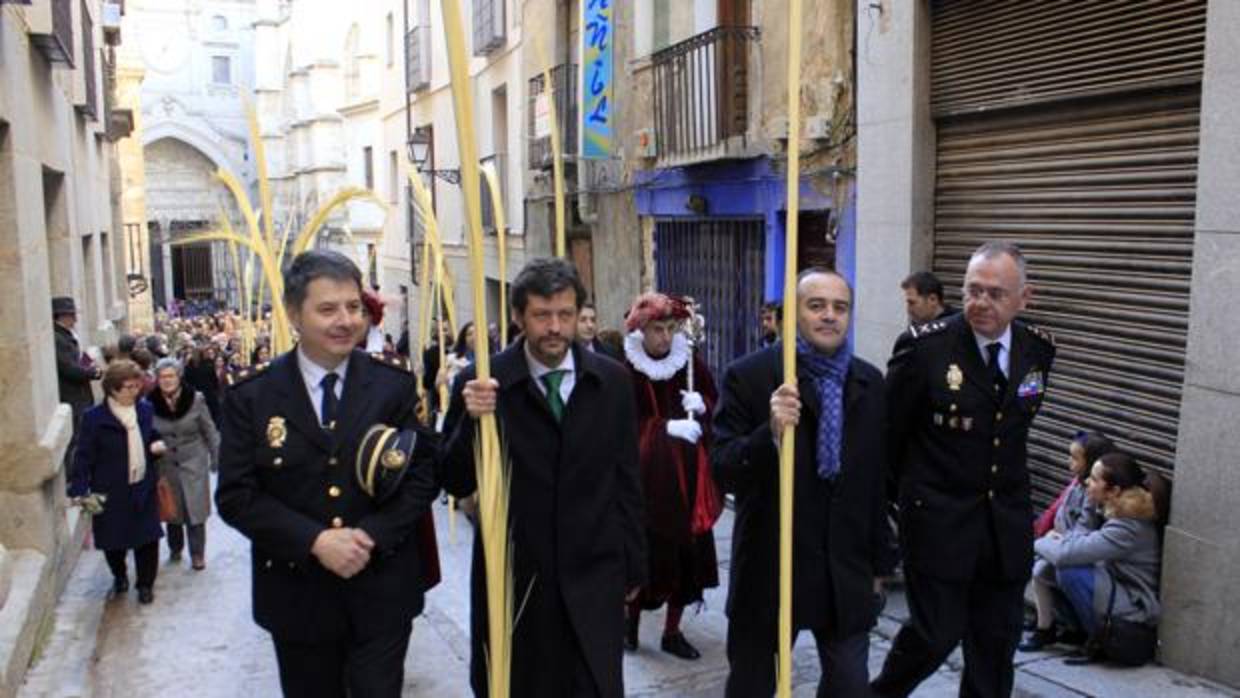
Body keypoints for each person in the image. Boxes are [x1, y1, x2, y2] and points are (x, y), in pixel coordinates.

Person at [216, 250, 440, 698]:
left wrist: (371, 536)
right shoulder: (253, 394)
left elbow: (421, 474)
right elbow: (237, 496)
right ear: (295, 314)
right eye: (327, 309)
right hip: (299, 597)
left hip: (382, 589)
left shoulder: (392, 384)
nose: (345, 321)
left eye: (354, 307)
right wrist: (315, 541)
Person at [441, 257, 645, 698]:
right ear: (518, 317)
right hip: (516, 581)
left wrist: (633, 565)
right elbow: (453, 480)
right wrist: (472, 422)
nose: (554, 327)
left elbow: (627, 477)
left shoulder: (611, 382)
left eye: (565, 315)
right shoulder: (482, 383)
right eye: (541, 315)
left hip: (595, 572)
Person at [872, 242, 1057, 698]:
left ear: (1023, 298)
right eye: (974, 291)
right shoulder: (925, 349)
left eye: (996, 294)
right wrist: (900, 507)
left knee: (996, 647)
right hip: (938, 522)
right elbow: (887, 438)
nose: (981, 303)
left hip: (1005, 527)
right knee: (935, 635)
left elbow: (1011, 430)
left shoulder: (1038, 349)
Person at [712, 269, 888, 697]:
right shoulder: (751, 376)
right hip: (773, 568)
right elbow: (722, 466)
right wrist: (768, 434)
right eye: (816, 306)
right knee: (755, 686)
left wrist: (881, 563)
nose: (830, 316)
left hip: (843, 570)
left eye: (839, 307)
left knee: (850, 685)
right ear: (791, 315)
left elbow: (876, 483)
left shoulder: (868, 382)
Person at [620, 293, 720, 660]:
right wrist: (663, 429)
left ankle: (672, 631)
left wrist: (703, 406)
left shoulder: (688, 361)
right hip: (646, 485)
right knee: (645, 558)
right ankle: (628, 624)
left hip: (688, 480)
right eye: (657, 329)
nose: (664, 337)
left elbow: (713, 399)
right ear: (641, 330)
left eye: (669, 328)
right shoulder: (625, 369)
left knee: (686, 559)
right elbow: (622, 427)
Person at [1032, 452, 1168, 666]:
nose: (1087, 482)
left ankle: (1098, 641)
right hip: (1113, 585)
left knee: (1068, 570)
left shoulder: (1129, 525)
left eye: (1095, 479)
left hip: (1133, 605)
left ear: (1113, 491)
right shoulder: (1111, 510)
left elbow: (1066, 554)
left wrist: (1037, 540)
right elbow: (1081, 541)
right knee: (1044, 569)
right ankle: (1068, 629)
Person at [68, 360, 168, 604]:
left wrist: (156, 445)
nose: (135, 391)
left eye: (137, 386)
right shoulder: (94, 418)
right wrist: (80, 490)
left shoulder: (144, 410)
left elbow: (150, 436)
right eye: (129, 387)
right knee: (113, 541)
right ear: (113, 389)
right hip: (109, 490)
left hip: (142, 486)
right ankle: (120, 575)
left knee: (148, 539)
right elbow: (83, 456)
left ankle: (145, 585)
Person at [1021, 431, 1115, 651]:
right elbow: (1060, 509)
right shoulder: (1077, 483)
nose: (1069, 462)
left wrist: (1056, 539)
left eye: (1075, 458)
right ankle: (1054, 624)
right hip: (1059, 540)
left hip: (1070, 547)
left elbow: (1085, 528)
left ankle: (1049, 629)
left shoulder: (1092, 494)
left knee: (1042, 572)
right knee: (1040, 571)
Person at [151, 357, 220, 571]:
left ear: (179, 377)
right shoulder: (149, 402)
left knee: (195, 509)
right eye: (162, 377)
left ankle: (198, 554)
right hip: (165, 463)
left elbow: (209, 430)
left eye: (170, 376)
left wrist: (216, 458)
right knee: (173, 509)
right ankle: (175, 547)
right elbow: (147, 433)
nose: (167, 381)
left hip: (193, 459)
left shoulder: (195, 399)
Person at [53, 296, 102, 480]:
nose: (75, 319)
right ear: (62, 316)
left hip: (78, 396)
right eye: (72, 315)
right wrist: (92, 373)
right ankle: (74, 480)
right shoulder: (58, 338)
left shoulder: (67, 336)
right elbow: (69, 368)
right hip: (72, 396)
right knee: (75, 441)